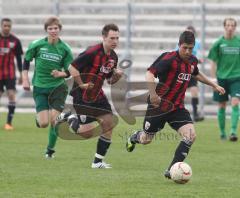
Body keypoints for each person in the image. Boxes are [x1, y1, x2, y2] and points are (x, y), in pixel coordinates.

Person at [126, 31, 225, 179]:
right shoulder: (168, 58)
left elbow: (196, 74)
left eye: (190, 48)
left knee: (191, 135)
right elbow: (149, 73)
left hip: (177, 107)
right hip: (158, 106)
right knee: (146, 139)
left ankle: (171, 169)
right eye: (185, 47)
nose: (187, 51)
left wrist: (214, 85)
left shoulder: (192, 61)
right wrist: (153, 95)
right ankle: (135, 136)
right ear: (179, 45)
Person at [57, 23, 123, 168]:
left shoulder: (113, 57)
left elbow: (110, 80)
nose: (115, 41)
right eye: (112, 38)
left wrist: (117, 76)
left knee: (108, 123)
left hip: (98, 94)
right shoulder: (92, 52)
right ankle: (70, 117)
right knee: (86, 133)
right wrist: (81, 84)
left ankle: (97, 162)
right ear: (104, 37)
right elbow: (72, 68)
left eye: (117, 38)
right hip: (82, 94)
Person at [22, 16, 73, 158]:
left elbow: (70, 71)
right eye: (50, 28)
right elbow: (26, 61)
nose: (53, 31)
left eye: (56, 28)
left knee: (54, 121)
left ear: (60, 30)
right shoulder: (36, 44)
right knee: (44, 123)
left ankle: (50, 150)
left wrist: (60, 74)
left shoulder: (65, 49)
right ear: (46, 30)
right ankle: (39, 119)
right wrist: (25, 80)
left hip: (58, 88)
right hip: (40, 87)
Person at [208, 17, 240, 141]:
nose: (230, 27)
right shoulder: (218, 43)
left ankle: (232, 132)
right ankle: (222, 133)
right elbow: (213, 62)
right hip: (221, 78)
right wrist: (213, 80)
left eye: (233, 25)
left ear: (235, 27)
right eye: (228, 25)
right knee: (221, 105)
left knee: (235, 102)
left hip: (237, 77)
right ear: (224, 27)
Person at [175, 25, 204, 122]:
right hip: (181, 70)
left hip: (191, 70)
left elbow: (199, 55)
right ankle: (178, 113)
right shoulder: (180, 43)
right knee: (180, 92)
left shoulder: (198, 43)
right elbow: (176, 54)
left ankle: (195, 114)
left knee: (194, 91)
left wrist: (199, 59)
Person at [0, 18, 23, 130]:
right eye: (5, 26)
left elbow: (19, 59)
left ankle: (9, 123)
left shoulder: (15, 41)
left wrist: (21, 74)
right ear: (1, 26)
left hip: (10, 73)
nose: (7, 28)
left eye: (9, 26)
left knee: (11, 95)